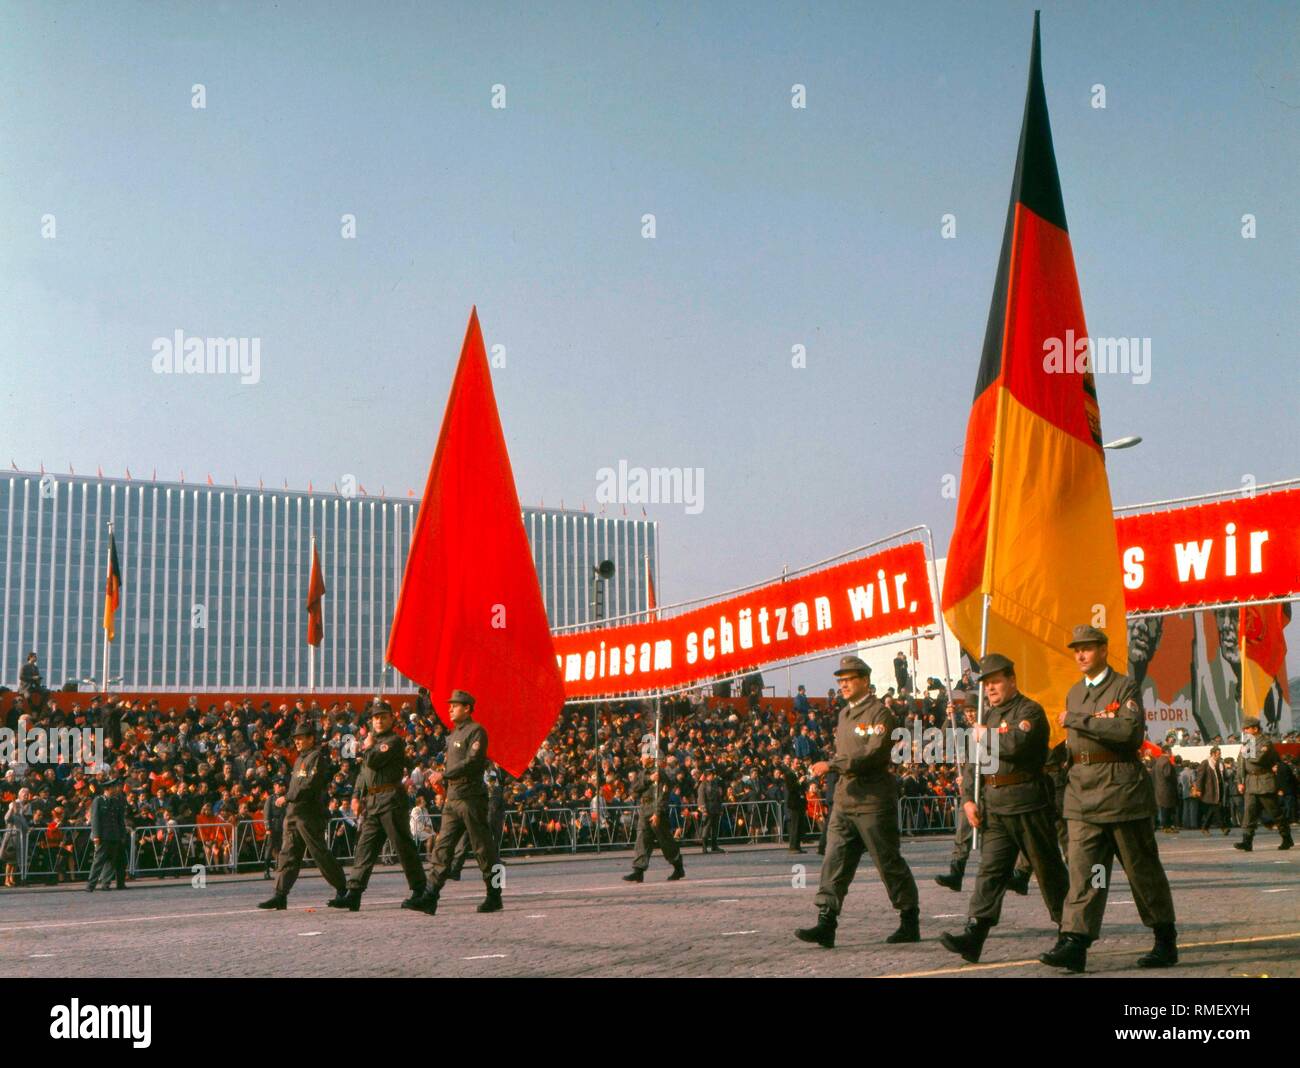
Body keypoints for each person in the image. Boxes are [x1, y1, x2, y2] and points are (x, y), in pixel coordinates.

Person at [1038, 625, 1178, 973]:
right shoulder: (1074, 692)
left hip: (1122, 795)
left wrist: (1078, 720)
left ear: (1103, 649)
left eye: (1087, 648)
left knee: (1141, 871)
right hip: (1083, 798)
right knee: (1088, 874)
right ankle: (1076, 941)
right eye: (1076, 649)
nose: (1080, 655)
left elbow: (1129, 732)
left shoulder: (1123, 686)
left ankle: (1164, 938)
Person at [939, 654, 1069, 963]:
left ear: (1012, 680)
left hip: (1027, 803)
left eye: (996, 681)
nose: (990, 689)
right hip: (995, 806)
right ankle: (974, 934)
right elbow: (974, 764)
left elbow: (1017, 745)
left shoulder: (1029, 711)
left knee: (1047, 870)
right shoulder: (990, 717)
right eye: (986, 683)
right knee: (990, 872)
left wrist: (986, 734)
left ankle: (1071, 935)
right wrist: (969, 798)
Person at [796, 656, 919, 948]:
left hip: (874, 801)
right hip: (845, 800)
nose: (843, 685)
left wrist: (835, 764)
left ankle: (909, 920)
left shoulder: (880, 714)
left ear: (865, 680)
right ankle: (826, 922)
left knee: (888, 862)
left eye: (849, 679)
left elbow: (874, 754)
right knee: (834, 861)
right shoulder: (844, 715)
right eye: (840, 681)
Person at [411, 690, 503, 915]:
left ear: (468, 708)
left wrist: (444, 774)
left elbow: (473, 763)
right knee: (442, 849)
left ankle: (494, 896)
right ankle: (430, 896)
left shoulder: (476, 731)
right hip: (454, 798)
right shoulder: (454, 734)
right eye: (451, 705)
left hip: (471, 799)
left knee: (484, 850)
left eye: (455, 705)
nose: (450, 708)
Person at [337, 701, 429, 912]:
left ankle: (420, 889)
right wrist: (355, 796)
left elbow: (374, 761)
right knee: (364, 848)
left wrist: (367, 747)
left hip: (390, 799)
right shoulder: (372, 741)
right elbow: (363, 774)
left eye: (383, 717)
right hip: (372, 801)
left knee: (402, 845)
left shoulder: (393, 741)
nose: (378, 721)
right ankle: (354, 892)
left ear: (391, 719)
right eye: (375, 717)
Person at [259, 723, 349, 910]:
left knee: (319, 853)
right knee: (287, 855)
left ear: (311, 739)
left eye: (300, 738)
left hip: (309, 814)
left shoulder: (316, 757)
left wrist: (287, 797)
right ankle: (280, 895)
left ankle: (342, 888)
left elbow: (310, 785)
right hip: (293, 813)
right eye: (295, 739)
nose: (297, 742)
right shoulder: (299, 759)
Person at [1234, 716, 1293, 851]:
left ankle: (1286, 838)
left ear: (1255, 729)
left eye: (1247, 728)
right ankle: (1247, 841)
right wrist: (1240, 781)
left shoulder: (1265, 742)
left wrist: (1246, 751)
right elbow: (1241, 764)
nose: (1245, 731)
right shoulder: (1247, 743)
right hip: (1250, 782)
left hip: (1264, 781)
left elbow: (1258, 759)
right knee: (1249, 813)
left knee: (1275, 812)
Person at [623, 753, 686, 882]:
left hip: (656, 811)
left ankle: (678, 867)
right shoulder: (643, 773)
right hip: (644, 810)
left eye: (643, 756)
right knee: (642, 840)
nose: (641, 758)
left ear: (651, 757)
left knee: (665, 841)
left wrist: (657, 813)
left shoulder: (660, 773)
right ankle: (638, 871)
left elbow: (663, 795)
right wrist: (649, 779)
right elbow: (633, 788)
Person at [87, 778, 127, 892]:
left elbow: (120, 820)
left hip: (114, 835)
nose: (116, 789)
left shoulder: (116, 801)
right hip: (103, 836)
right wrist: (96, 836)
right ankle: (91, 884)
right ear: (108, 789)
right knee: (98, 860)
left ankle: (106, 883)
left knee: (111, 861)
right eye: (114, 787)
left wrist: (122, 835)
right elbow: (95, 819)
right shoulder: (98, 801)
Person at [2, 787, 32, 887]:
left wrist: (28, 829)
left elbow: (25, 825)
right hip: (12, 839)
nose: (19, 808)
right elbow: (6, 818)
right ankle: (6, 879)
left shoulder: (20, 815)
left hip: (20, 839)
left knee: (16, 860)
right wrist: (11, 809)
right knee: (10, 861)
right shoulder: (12, 814)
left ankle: (12, 878)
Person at [1195, 747, 1228, 835]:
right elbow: (1200, 777)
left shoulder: (1220, 763)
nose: (1220, 755)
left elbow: (1224, 776)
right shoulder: (1206, 763)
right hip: (1210, 790)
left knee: (1213, 809)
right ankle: (1223, 827)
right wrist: (1198, 789)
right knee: (1215, 807)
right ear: (1213, 754)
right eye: (1218, 754)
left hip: (1219, 790)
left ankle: (1205, 827)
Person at [782, 756, 808, 853]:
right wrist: (799, 782)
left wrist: (803, 781)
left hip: (800, 802)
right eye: (796, 763)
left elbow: (804, 787)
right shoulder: (789, 774)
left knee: (800, 825)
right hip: (794, 802)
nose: (798, 765)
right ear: (792, 763)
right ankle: (792, 847)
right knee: (794, 826)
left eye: (799, 763)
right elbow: (791, 788)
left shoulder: (799, 774)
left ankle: (798, 846)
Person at [262, 779, 286, 879]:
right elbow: (266, 814)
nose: (281, 787)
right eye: (279, 786)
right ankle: (266, 871)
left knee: (282, 849)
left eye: (282, 786)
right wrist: (267, 828)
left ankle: (280, 868)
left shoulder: (285, 798)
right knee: (269, 849)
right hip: (273, 826)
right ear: (275, 786)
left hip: (283, 826)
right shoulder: (270, 799)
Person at [698, 768, 724, 853]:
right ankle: (704, 846)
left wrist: (720, 808)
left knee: (715, 828)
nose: (713, 776)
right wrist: (703, 809)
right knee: (707, 827)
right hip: (708, 808)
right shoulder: (703, 785)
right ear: (707, 776)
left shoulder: (715, 784)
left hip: (715, 807)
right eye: (711, 775)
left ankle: (714, 846)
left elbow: (719, 797)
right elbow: (701, 798)